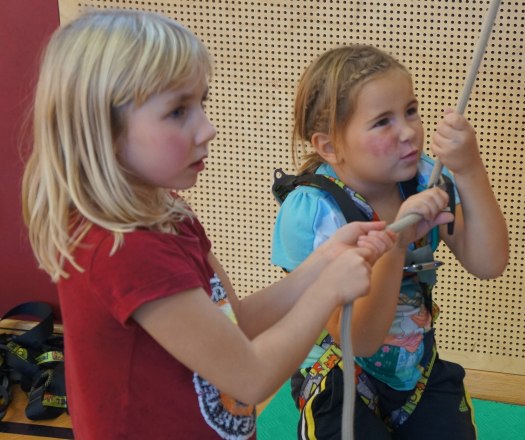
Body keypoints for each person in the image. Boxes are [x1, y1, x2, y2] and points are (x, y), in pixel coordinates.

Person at [21, 10, 398, 440]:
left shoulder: (168, 214)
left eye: (202, 102)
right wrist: (330, 291)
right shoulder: (122, 248)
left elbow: (237, 321)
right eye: (178, 111)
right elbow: (249, 378)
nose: (208, 128)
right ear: (102, 128)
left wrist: (325, 262)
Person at [272, 45, 509, 439]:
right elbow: (360, 340)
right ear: (329, 146)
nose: (408, 132)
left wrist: (469, 169)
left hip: (416, 374)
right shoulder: (315, 212)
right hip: (339, 380)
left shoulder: (425, 180)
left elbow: (489, 263)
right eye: (383, 122)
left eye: (411, 111)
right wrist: (396, 240)